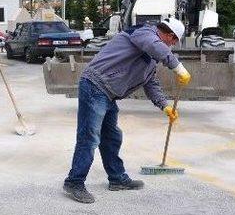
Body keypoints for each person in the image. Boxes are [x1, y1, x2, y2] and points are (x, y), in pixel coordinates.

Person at [63, 18, 191, 203]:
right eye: (173, 42)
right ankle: (74, 182)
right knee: (89, 137)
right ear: (170, 35)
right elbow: (155, 46)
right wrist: (178, 67)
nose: (171, 46)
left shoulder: (150, 59)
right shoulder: (144, 32)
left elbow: (150, 83)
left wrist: (165, 106)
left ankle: (117, 179)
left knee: (112, 137)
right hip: (95, 86)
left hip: (108, 94)